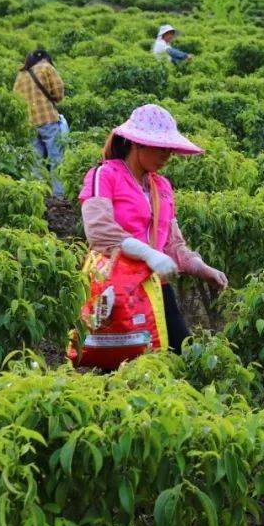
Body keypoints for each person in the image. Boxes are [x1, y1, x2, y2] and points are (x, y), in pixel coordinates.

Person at [78, 105, 227, 353]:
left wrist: (202, 268)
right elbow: (99, 230)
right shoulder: (104, 175)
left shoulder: (162, 187)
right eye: (161, 148)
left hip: (155, 287)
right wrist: (147, 253)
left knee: (178, 352)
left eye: (170, 149)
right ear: (137, 144)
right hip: (118, 286)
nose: (167, 155)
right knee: (120, 358)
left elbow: (172, 244)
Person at [13, 48, 66, 198]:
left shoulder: (21, 74)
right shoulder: (47, 67)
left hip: (28, 122)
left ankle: (39, 194)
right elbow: (58, 91)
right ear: (46, 58)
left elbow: (15, 99)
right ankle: (59, 194)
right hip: (47, 118)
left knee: (35, 160)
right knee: (56, 157)